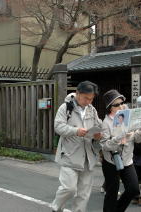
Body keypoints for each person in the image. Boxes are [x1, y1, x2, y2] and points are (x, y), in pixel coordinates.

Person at [51, 81, 102, 212]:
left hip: (88, 156)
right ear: (78, 94)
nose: (88, 101)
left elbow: (99, 125)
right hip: (70, 155)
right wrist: (76, 131)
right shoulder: (65, 107)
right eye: (86, 98)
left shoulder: (92, 110)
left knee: (84, 193)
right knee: (69, 188)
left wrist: (98, 135)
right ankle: (56, 207)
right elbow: (58, 127)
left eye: (91, 99)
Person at [101, 89, 141, 212]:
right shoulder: (106, 123)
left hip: (127, 160)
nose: (121, 106)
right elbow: (105, 146)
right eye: (116, 105)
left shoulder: (129, 117)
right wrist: (119, 138)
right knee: (112, 193)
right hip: (111, 162)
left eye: (122, 103)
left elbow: (137, 139)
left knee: (133, 189)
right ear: (110, 107)